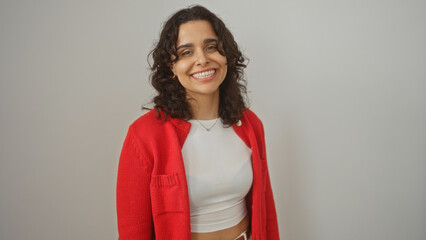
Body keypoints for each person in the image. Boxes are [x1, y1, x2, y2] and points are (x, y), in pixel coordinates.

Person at [116, 5, 279, 240]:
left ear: (226, 56)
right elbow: (134, 231)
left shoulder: (251, 125)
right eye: (186, 52)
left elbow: (266, 212)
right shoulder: (144, 135)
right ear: (172, 67)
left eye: (211, 47)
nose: (202, 59)